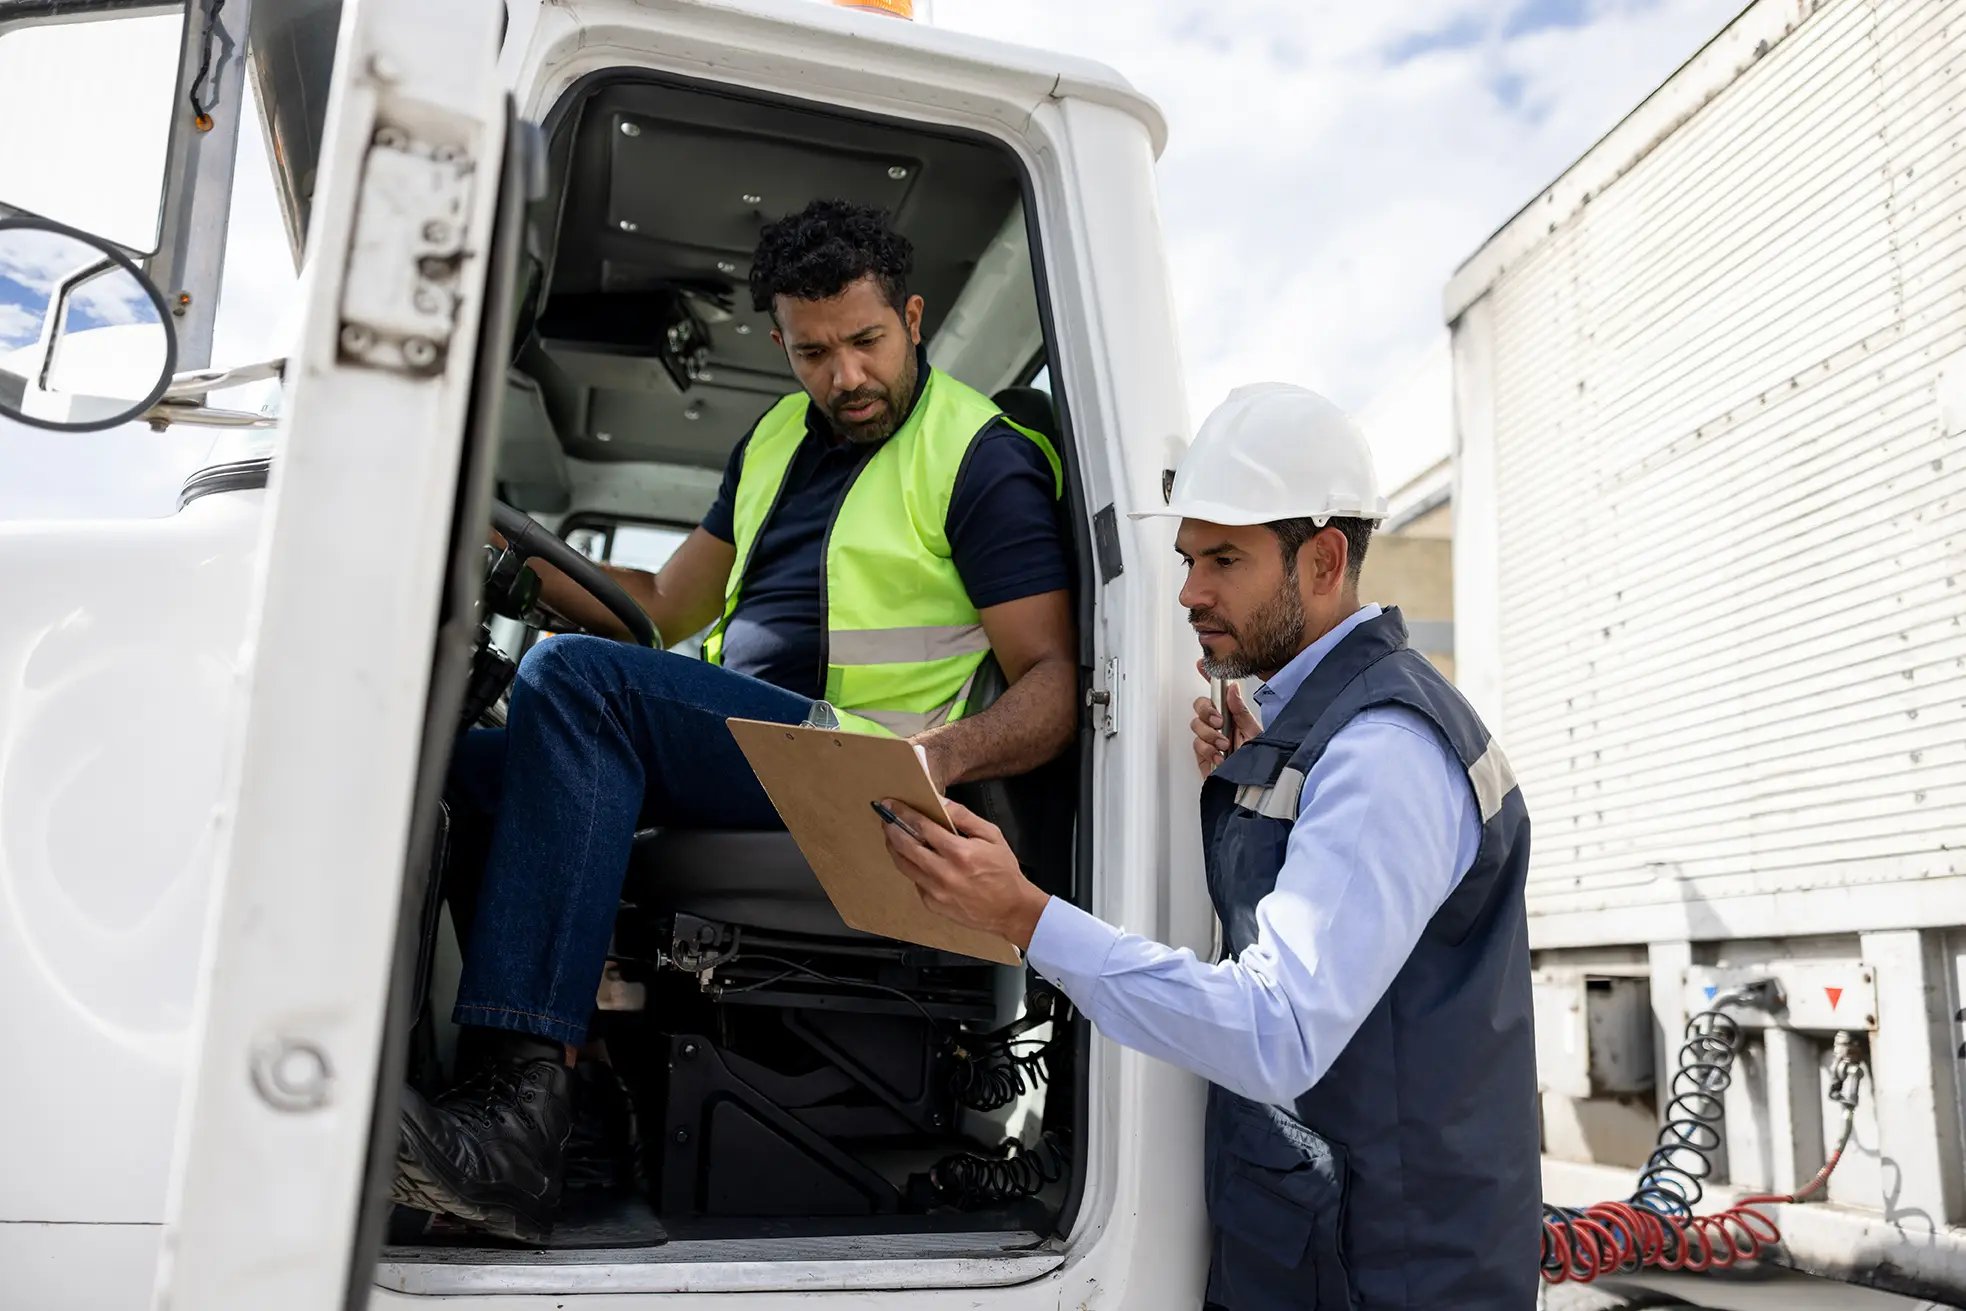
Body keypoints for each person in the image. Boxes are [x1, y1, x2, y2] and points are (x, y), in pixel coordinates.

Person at [390, 199, 1078, 1242]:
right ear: (780, 345)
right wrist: (501, 553)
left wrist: (933, 754)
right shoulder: (769, 441)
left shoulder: (976, 456)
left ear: (914, 319)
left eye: (865, 341)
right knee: (461, 771)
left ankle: (516, 1121)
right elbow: (666, 610)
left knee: (576, 684)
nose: (844, 376)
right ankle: (582, 1115)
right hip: (756, 750)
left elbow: (1051, 684)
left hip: (866, 771)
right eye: (814, 352)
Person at [879, 383, 1540, 1309]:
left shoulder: (1384, 748)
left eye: (1224, 559)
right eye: (1189, 557)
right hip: (1313, 1246)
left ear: (1323, 559)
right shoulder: (1312, 736)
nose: (1189, 591)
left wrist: (1026, 916)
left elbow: (1281, 1031)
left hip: (1387, 1271)